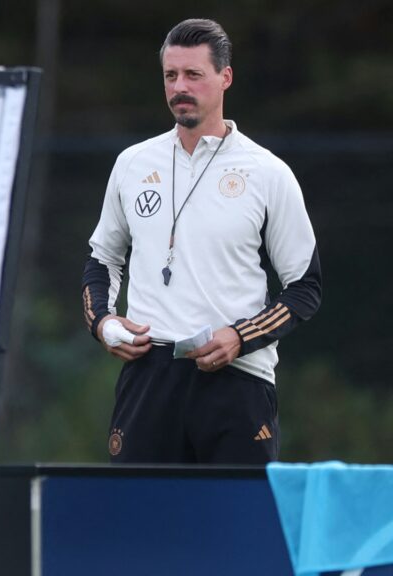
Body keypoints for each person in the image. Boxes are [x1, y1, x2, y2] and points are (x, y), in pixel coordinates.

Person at [81, 19, 321, 464]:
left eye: (193, 75)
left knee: (237, 529)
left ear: (225, 77)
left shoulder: (267, 172)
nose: (180, 88)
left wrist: (240, 337)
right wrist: (104, 324)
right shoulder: (132, 163)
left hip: (238, 378)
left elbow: (305, 287)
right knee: (142, 527)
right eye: (171, 76)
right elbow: (102, 261)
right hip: (147, 376)